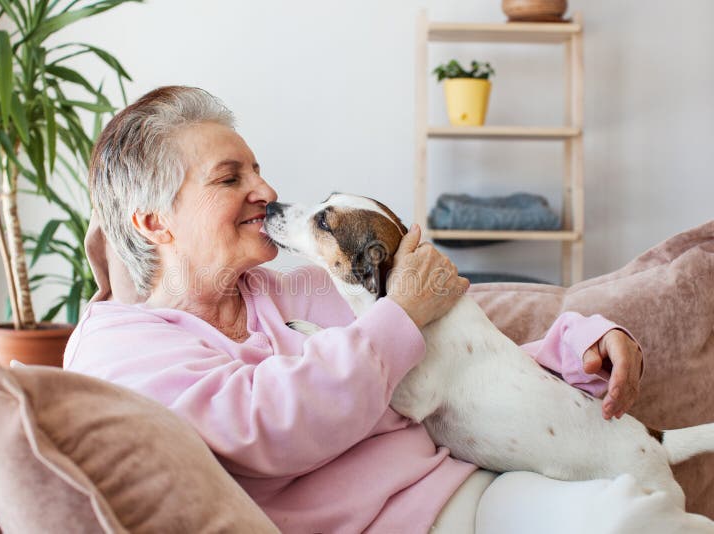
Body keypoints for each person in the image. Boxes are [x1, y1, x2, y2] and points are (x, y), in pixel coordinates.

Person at [65, 86, 714, 534]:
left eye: (257, 169)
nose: (265, 190)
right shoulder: (121, 348)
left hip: (475, 495)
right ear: (153, 222)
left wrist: (584, 343)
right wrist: (400, 312)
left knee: (629, 517)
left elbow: (470, 361)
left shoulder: (300, 292)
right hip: (399, 524)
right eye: (230, 178)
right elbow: (263, 426)